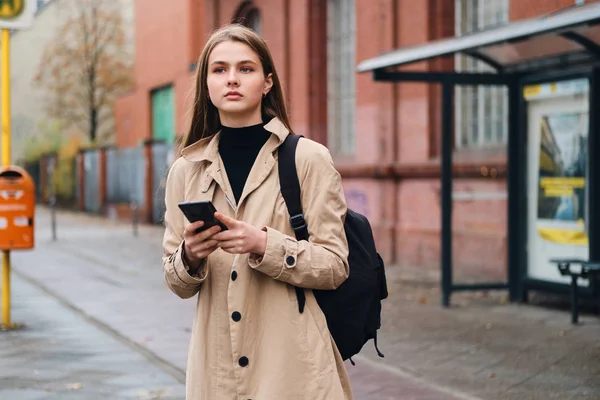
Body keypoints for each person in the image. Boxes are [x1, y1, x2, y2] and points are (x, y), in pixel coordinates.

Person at [162, 24, 353, 400]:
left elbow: (335, 266)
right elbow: (176, 281)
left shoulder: (307, 159)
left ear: (267, 82)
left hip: (293, 370)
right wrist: (189, 256)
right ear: (206, 84)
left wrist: (264, 245)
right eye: (219, 70)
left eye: (245, 69)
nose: (232, 79)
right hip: (217, 375)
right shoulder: (186, 170)